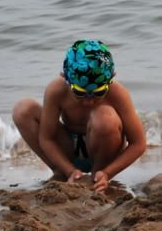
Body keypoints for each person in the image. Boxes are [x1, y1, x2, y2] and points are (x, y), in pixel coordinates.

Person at [12, 39, 146, 194]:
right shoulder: (56, 91)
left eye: (99, 93)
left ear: (111, 79)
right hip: (68, 147)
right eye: (80, 93)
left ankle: (98, 176)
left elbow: (138, 143)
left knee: (104, 117)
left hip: (105, 146)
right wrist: (68, 170)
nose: (89, 101)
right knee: (23, 110)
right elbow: (47, 138)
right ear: (65, 79)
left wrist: (108, 172)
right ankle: (61, 172)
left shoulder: (118, 93)